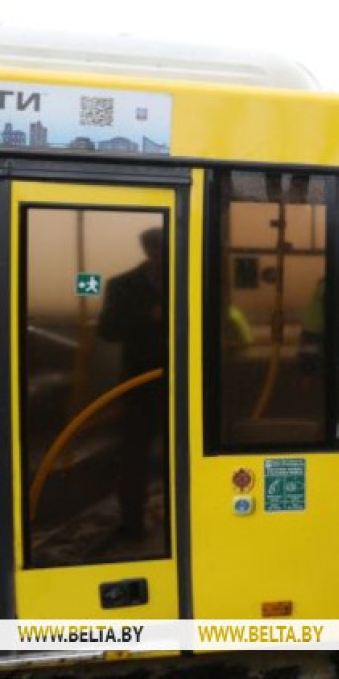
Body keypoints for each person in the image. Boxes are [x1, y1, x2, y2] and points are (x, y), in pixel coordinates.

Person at [97, 226, 167, 544]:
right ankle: (133, 523)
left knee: (185, 453)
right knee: (134, 456)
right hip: (140, 385)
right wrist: (148, 316)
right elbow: (107, 330)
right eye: (157, 250)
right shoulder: (123, 286)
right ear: (148, 251)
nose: (161, 256)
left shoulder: (191, 278)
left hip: (188, 387)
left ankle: (188, 515)